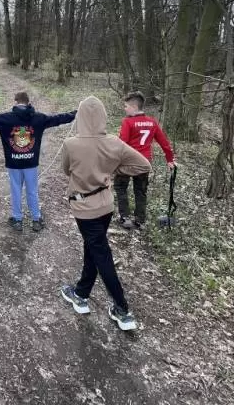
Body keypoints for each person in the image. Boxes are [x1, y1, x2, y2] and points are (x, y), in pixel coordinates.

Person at [59, 95, 151, 332]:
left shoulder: (71, 144)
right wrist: (113, 169)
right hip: (105, 206)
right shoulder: (114, 143)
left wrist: (106, 169)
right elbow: (143, 165)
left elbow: (67, 170)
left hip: (84, 209)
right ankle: (81, 294)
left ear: (80, 117)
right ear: (103, 116)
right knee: (93, 247)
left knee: (101, 254)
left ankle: (123, 310)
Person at [0, 91, 75, 232]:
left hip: (13, 163)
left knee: (15, 190)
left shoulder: (4, 119)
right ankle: (36, 219)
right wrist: (75, 114)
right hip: (31, 163)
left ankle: (17, 219)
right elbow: (58, 119)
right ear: (28, 102)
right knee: (32, 191)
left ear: (15, 102)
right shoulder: (39, 118)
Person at [114, 90, 176, 230]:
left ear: (134, 107)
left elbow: (122, 144)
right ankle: (140, 220)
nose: (125, 109)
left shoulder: (127, 122)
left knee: (120, 187)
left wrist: (114, 161)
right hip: (144, 162)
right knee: (141, 191)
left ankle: (125, 218)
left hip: (127, 162)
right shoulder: (152, 122)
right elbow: (164, 142)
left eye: (126, 106)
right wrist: (169, 159)